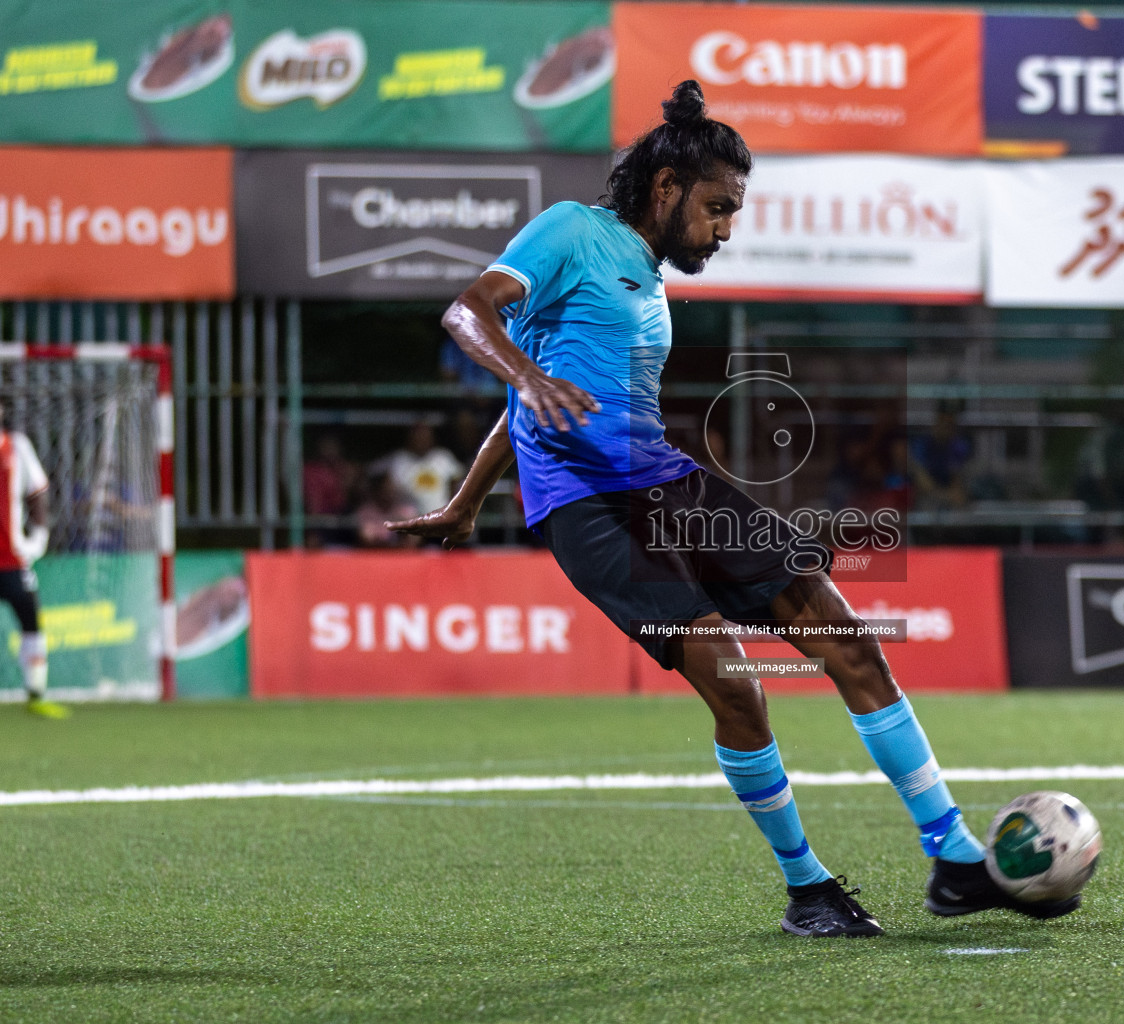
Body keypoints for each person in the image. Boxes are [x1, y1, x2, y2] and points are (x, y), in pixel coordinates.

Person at [388, 81, 1078, 937]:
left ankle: (955, 859)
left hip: (672, 485)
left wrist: (467, 499)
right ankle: (808, 889)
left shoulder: (644, 280)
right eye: (717, 208)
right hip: (591, 511)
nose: (725, 229)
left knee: (850, 643)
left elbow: (545, 400)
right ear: (667, 187)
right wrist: (523, 381)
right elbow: (470, 311)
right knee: (738, 688)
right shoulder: (573, 231)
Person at [0, 405, 61, 717]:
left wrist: (38, 537)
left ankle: (36, 693)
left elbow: (37, 492)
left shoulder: (17, 447)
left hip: (11, 559)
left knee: (31, 618)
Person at [375, 420, 463, 519]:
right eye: (418, 435)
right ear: (410, 437)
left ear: (432, 438)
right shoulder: (398, 460)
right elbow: (374, 475)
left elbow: (459, 481)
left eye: (425, 436)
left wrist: (451, 508)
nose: (421, 439)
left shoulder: (443, 457)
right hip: (408, 520)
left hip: (441, 519)